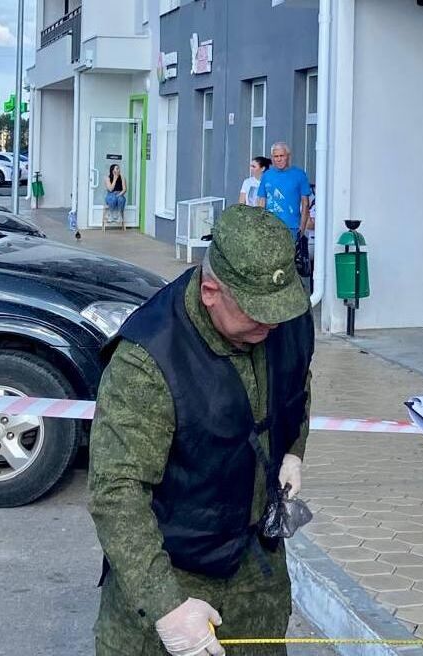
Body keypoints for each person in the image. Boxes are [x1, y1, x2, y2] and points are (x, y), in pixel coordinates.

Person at [89, 204, 314, 656]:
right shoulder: (148, 358)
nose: (270, 324)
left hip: (256, 569)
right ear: (211, 291)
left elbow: (296, 384)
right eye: (255, 314)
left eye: (278, 310)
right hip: (174, 568)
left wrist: (293, 449)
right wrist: (166, 607)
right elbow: (117, 491)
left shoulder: (283, 317)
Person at [256, 142, 311, 239]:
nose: (279, 159)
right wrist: (260, 225)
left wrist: (302, 228)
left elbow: (305, 203)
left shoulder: (299, 174)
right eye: (276, 156)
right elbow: (261, 201)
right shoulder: (267, 175)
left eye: (282, 155)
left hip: (292, 227)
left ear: (288, 156)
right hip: (270, 227)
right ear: (272, 158)